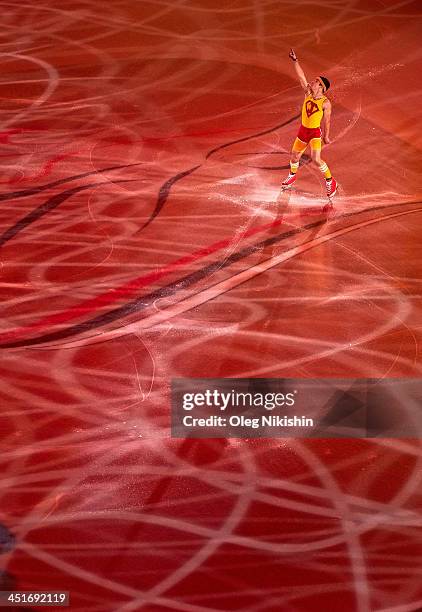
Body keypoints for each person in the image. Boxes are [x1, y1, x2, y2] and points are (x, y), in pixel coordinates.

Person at [282, 49, 337, 199]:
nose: (312, 82)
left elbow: (327, 121)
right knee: (294, 156)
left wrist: (326, 136)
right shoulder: (308, 93)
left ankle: (331, 182)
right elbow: (301, 76)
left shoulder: (325, 103)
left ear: (321, 87)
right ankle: (292, 176)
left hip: (314, 133)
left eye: (316, 82)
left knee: (316, 159)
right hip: (303, 131)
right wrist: (295, 61)